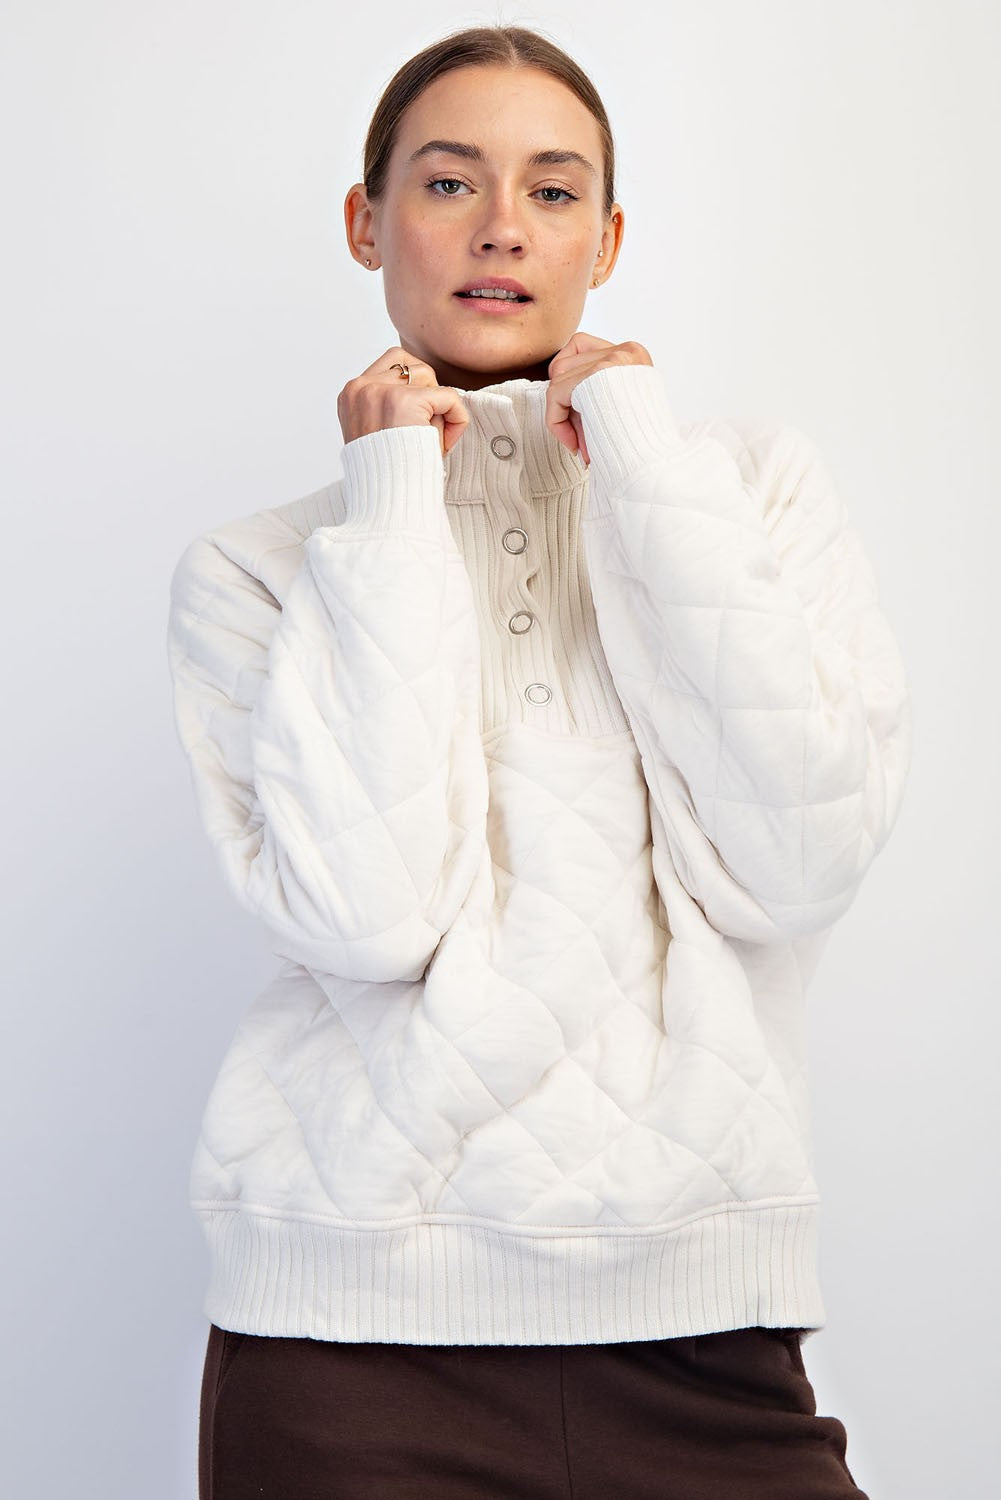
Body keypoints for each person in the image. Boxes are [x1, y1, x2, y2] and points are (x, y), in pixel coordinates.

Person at [167, 23, 913, 1500]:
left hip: (706, 1334)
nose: (503, 226)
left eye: (554, 191)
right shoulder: (258, 570)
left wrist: (635, 456)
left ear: (607, 239)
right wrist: (391, 502)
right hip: (349, 1351)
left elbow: (794, 865)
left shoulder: (744, 492)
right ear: (366, 221)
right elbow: (371, 919)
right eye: (450, 182)